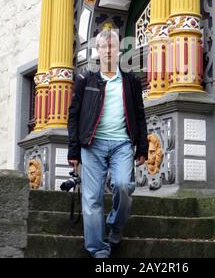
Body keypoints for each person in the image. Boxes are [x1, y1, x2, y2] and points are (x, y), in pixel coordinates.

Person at [67, 29, 148, 258]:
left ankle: (115, 224)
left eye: (112, 46)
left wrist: (142, 146)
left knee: (123, 186)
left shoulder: (130, 80)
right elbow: (73, 115)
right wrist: (73, 150)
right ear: (98, 51)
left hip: (122, 143)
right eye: (104, 47)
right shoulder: (86, 79)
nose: (109, 50)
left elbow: (139, 114)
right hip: (92, 144)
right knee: (92, 198)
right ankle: (99, 252)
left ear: (119, 49)